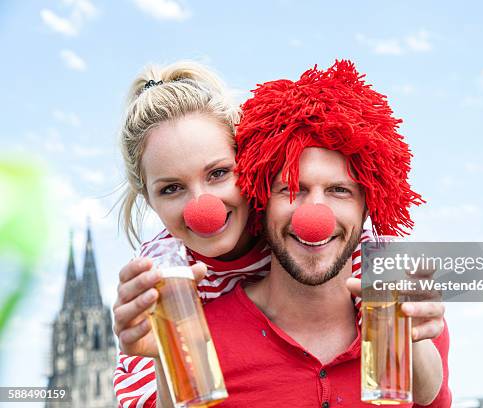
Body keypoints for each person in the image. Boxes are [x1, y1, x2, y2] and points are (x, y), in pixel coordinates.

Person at [111, 61, 373, 408]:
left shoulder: (293, 222)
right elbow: (150, 399)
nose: (202, 208)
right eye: (171, 188)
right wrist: (164, 353)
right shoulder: (161, 274)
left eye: (218, 173)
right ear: (149, 199)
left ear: (249, 164)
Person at [195, 60, 451, 407]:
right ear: (261, 202)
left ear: (366, 208)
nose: (313, 216)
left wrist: (416, 339)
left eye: (339, 190)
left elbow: (429, 398)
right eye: (292, 189)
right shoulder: (199, 338)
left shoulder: (408, 319)